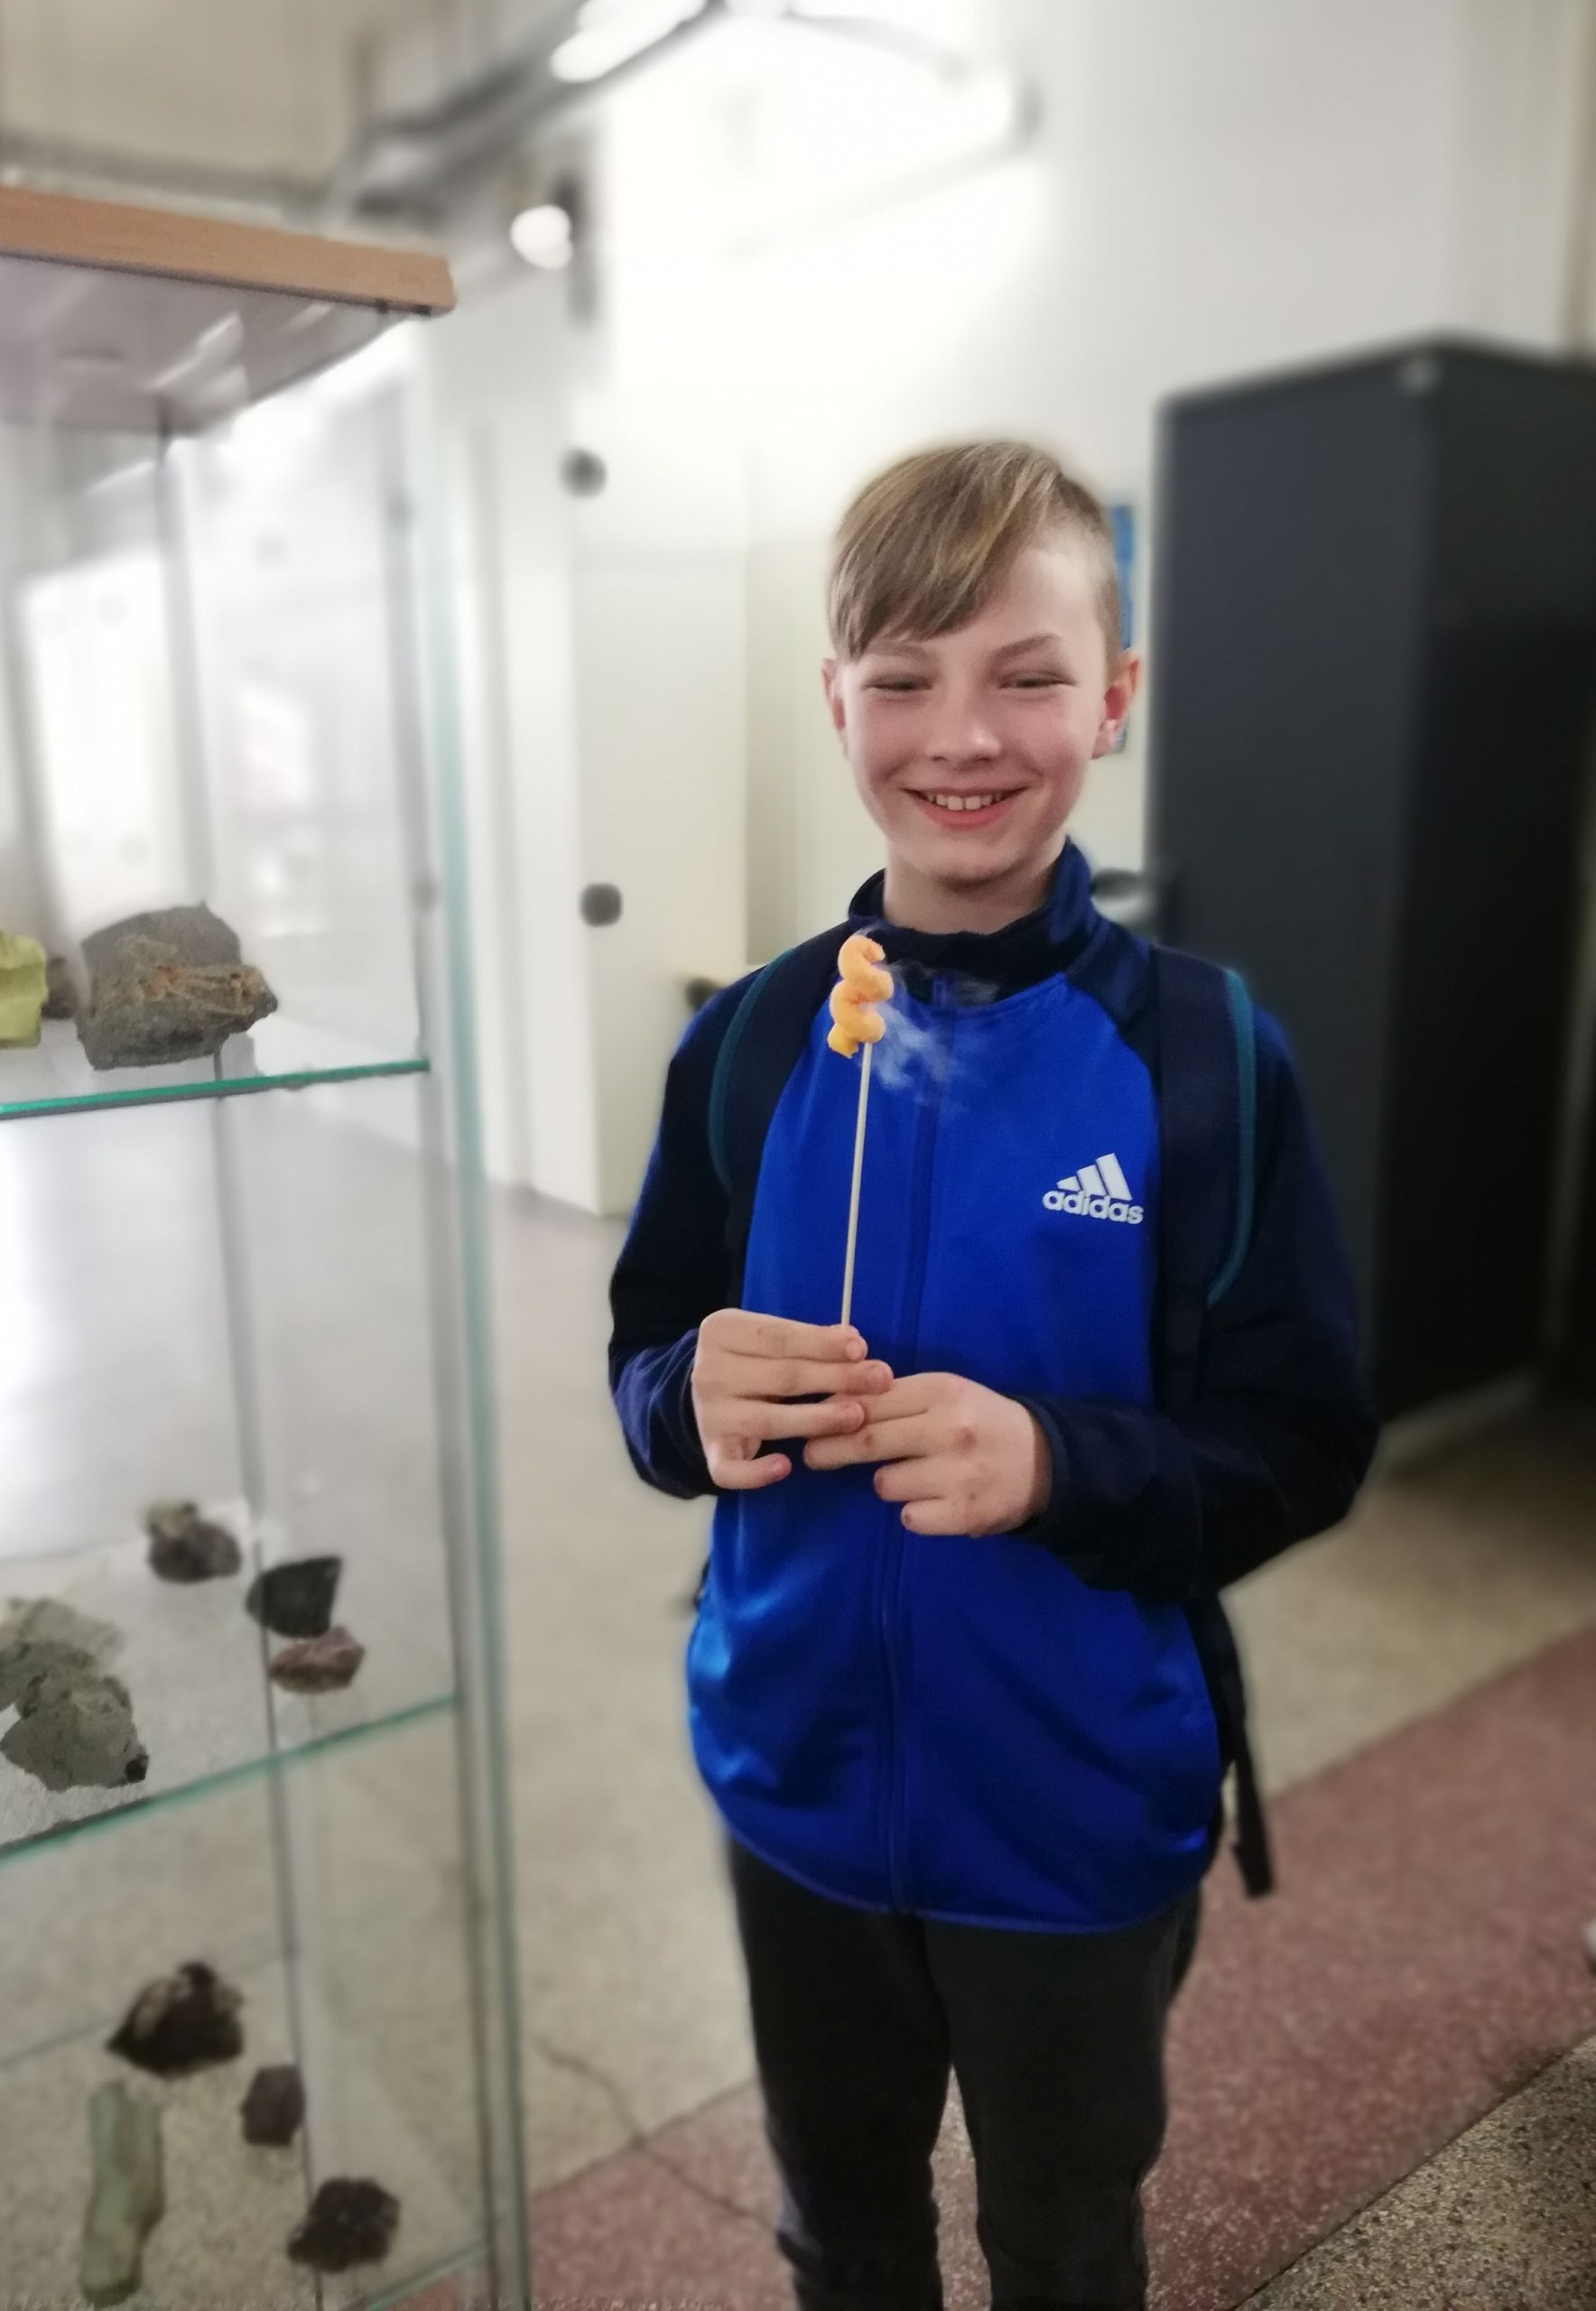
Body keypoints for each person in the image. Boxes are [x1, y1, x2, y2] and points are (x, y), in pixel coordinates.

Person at [608, 441, 1374, 2311]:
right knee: (843, 2224)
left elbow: (1302, 1441)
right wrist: (683, 1400)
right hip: (794, 1786)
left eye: (1028, 673)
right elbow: (648, 1360)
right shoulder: (750, 1042)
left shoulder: (1203, 1055)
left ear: (1114, 695)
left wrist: (1059, 1465)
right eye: (904, 677)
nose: (962, 734)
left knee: (1063, 2234)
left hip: (1078, 1813)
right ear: (836, 699)